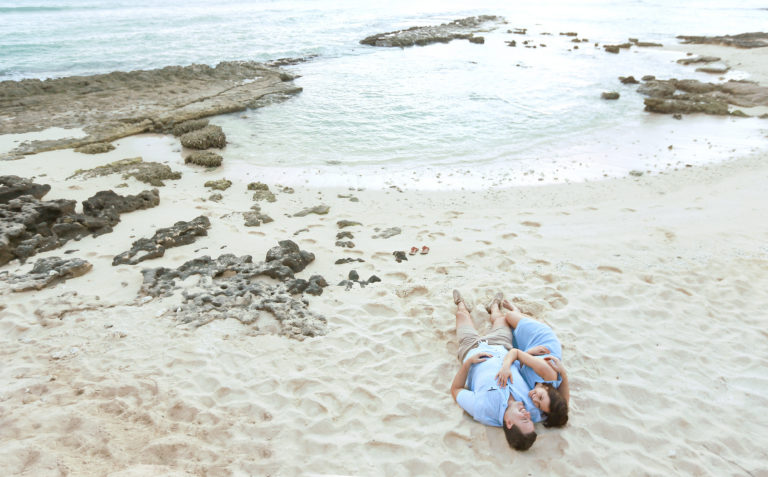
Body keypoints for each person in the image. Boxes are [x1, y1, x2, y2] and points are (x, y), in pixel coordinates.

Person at [449, 290, 540, 451]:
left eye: (524, 420)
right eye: (531, 420)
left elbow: (456, 390)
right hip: (501, 345)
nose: (528, 415)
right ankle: (494, 306)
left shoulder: (483, 409)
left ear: (509, 423)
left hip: (471, 349)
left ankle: (461, 304)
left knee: (461, 316)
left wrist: (468, 363)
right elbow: (561, 408)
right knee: (500, 319)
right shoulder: (533, 406)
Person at [495, 299, 570, 428]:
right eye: (540, 398)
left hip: (530, 351)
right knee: (508, 316)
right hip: (542, 339)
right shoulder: (546, 372)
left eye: (539, 405)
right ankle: (516, 310)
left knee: (510, 331)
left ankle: (521, 317)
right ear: (547, 388)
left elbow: (565, 406)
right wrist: (505, 367)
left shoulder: (547, 399)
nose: (534, 400)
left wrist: (528, 353)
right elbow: (515, 353)